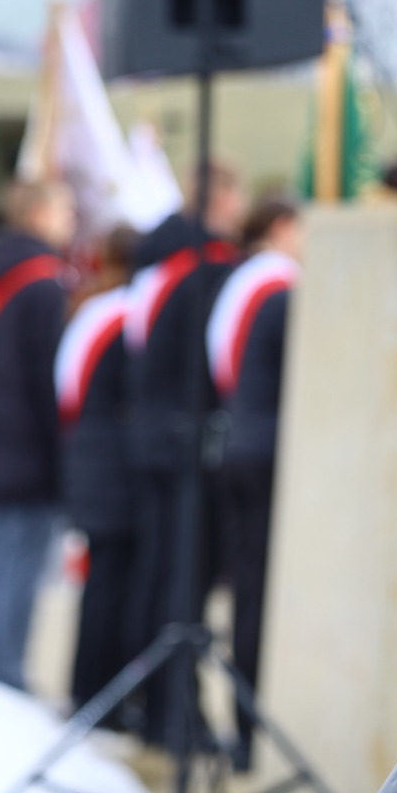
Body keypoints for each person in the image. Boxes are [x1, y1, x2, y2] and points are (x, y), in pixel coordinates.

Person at [124, 161, 245, 740]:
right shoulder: (208, 263)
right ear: (220, 196)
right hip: (182, 439)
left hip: (152, 431)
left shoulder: (158, 259)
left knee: (158, 575)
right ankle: (177, 714)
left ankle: (156, 707)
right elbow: (212, 356)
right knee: (180, 578)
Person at [0, 179, 74, 690]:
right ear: (37, 213)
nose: (71, 217)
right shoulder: (42, 282)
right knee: (17, 560)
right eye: (63, 207)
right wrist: (63, 453)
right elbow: (47, 377)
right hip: (25, 441)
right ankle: (6, 675)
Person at [212, 197, 303, 762]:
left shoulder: (249, 283)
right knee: (258, 594)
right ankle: (248, 728)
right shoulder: (281, 289)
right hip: (269, 453)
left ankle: (244, 726)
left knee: (249, 590)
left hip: (241, 441)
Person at [60, 222, 141, 710]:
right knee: (111, 585)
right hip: (111, 467)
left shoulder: (93, 308)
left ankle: (87, 689)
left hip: (88, 457)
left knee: (101, 583)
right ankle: (97, 697)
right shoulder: (124, 315)